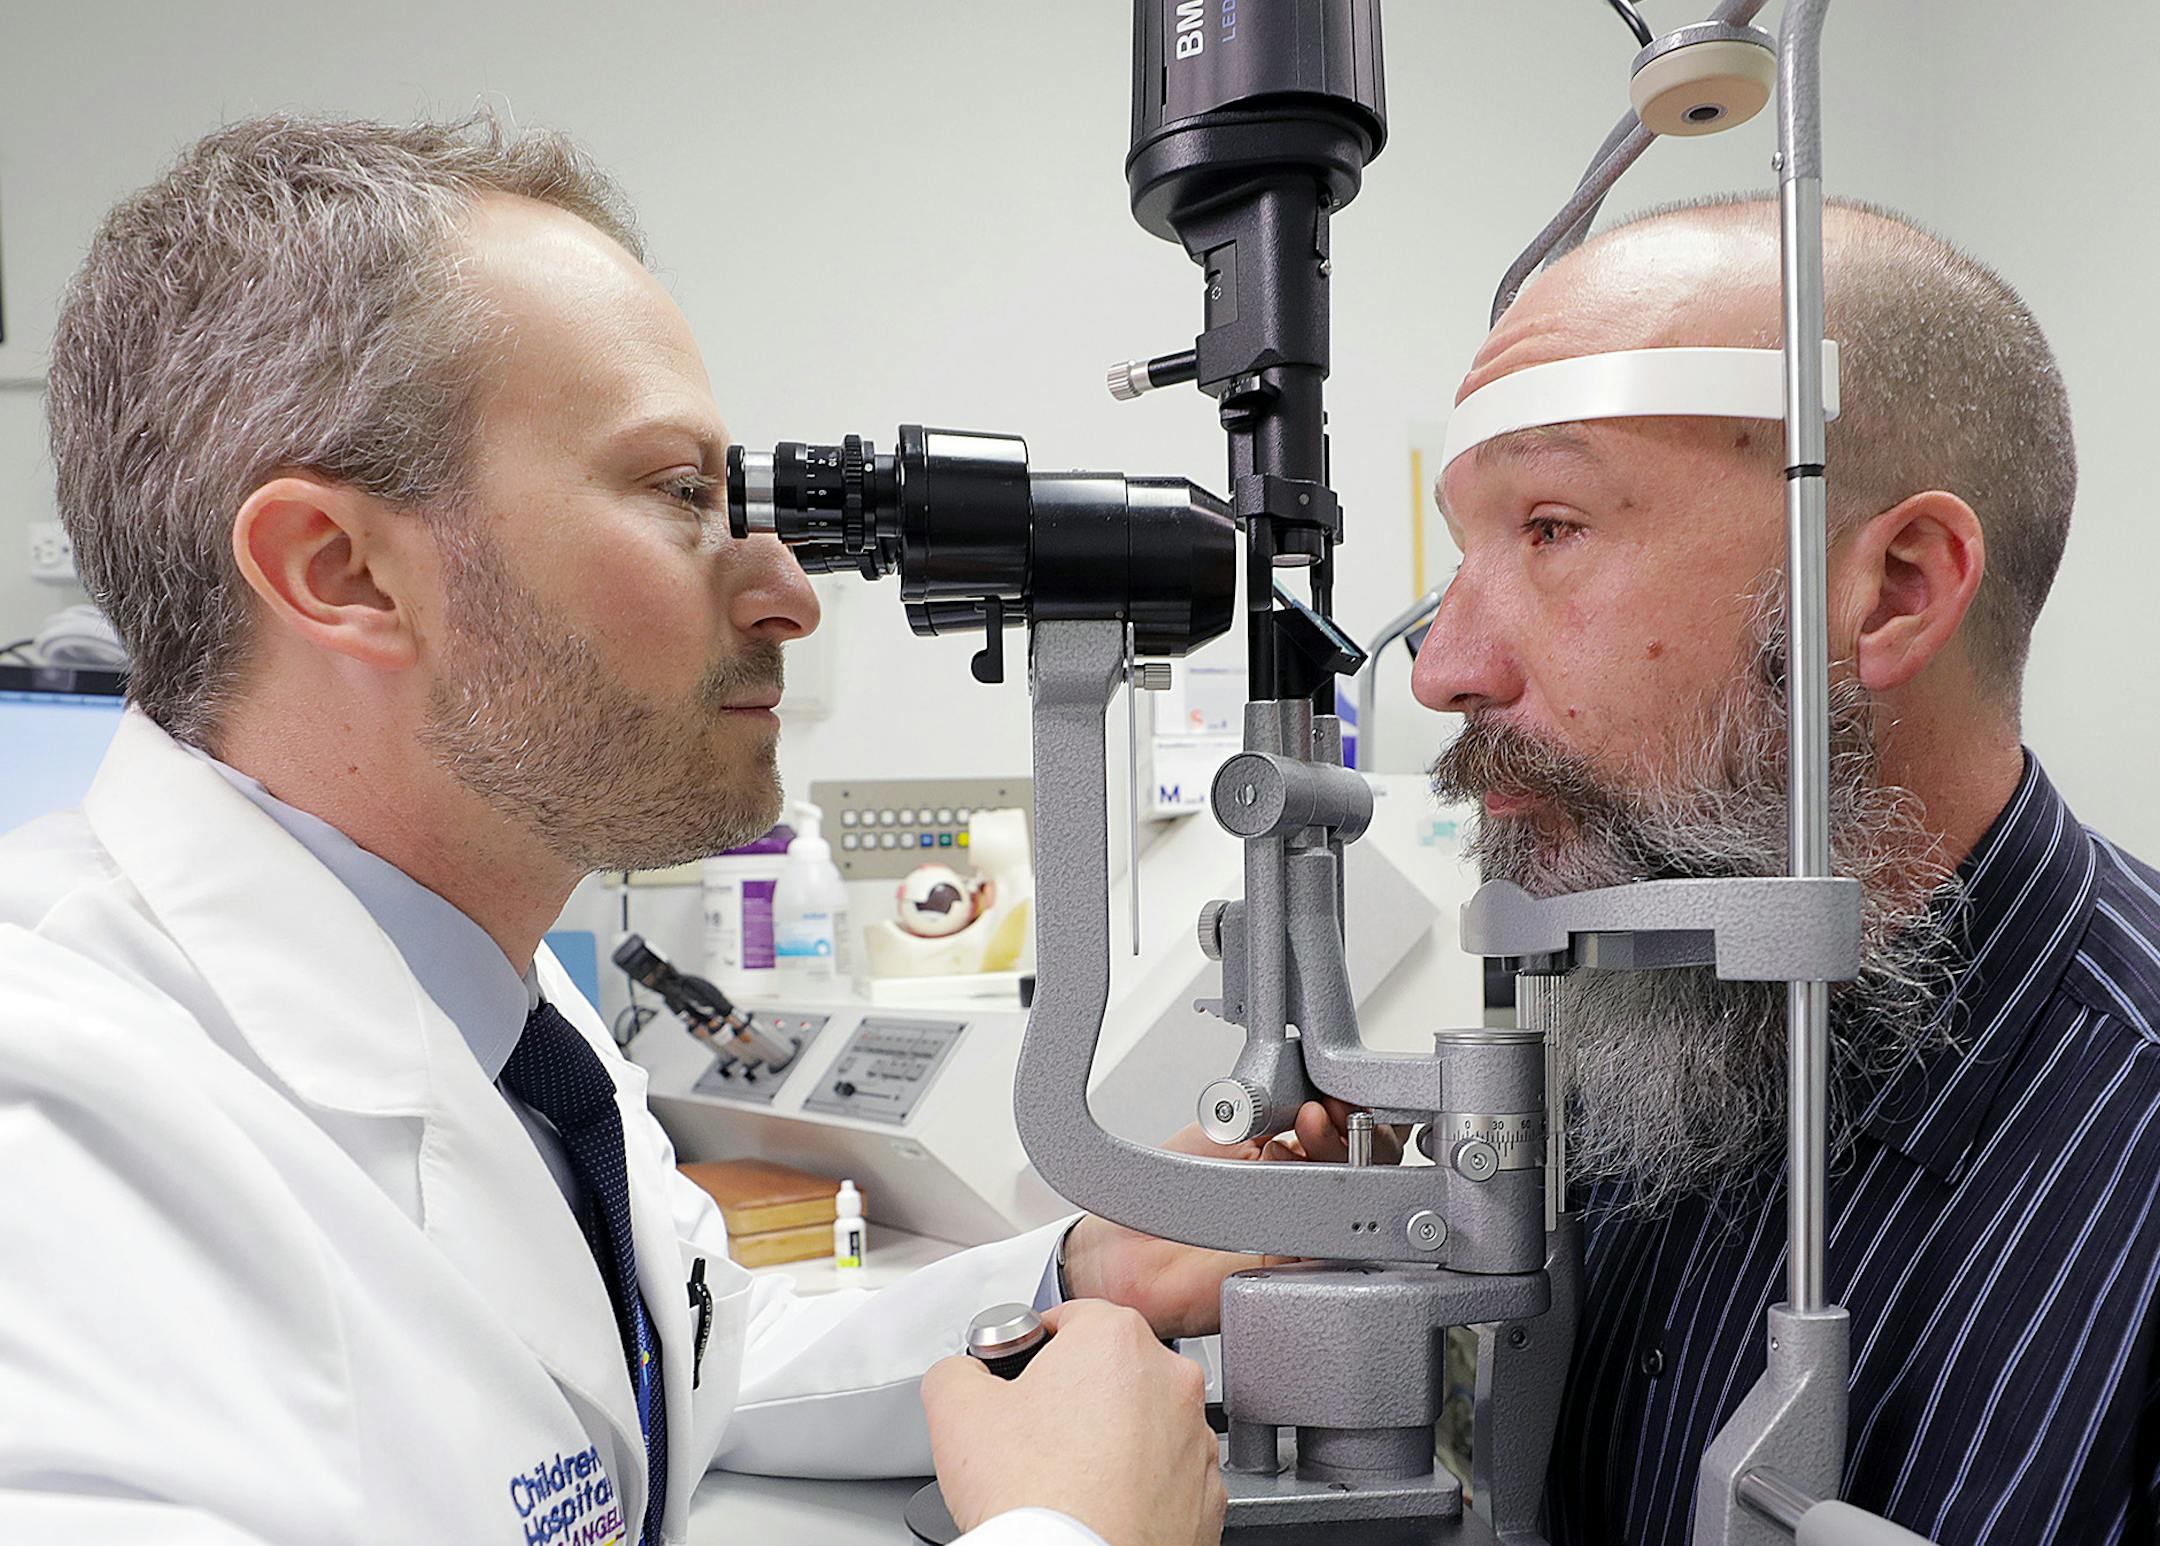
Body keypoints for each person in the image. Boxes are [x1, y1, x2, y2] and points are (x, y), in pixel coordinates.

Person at [0, 115, 1376, 1546]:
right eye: (677, 495)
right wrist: (1078, 1534)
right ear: (342, 572)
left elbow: (676, 1363)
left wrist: (1083, 1270)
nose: (789, 594)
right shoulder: (54, 1145)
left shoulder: (501, 1017)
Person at [1413, 194, 2160, 1543]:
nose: (1442, 667)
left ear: (1895, 590)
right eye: (1468, 548)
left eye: (1550, 527)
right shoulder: (1639, 1033)